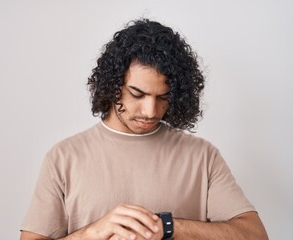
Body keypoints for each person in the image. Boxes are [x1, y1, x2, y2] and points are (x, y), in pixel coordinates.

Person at [20, 19, 268, 240]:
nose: (151, 111)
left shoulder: (202, 156)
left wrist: (166, 227)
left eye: (163, 97)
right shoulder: (63, 158)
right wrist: (94, 232)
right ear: (112, 84)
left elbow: (255, 235)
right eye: (137, 94)